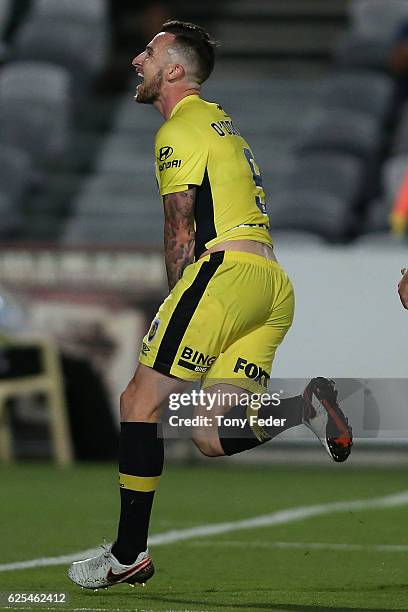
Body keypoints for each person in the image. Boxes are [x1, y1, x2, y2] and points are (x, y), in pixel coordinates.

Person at [68, 21, 353, 590]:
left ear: (173, 70)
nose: (136, 61)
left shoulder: (179, 130)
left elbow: (180, 227)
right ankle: (306, 409)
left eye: (148, 53)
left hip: (223, 274)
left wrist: (176, 296)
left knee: (138, 399)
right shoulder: (222, 125)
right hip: (270, 283)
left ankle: (128, 553)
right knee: (210, 434)